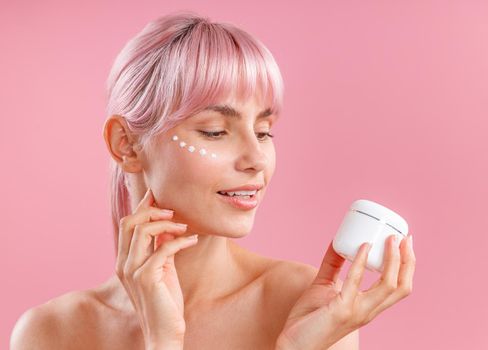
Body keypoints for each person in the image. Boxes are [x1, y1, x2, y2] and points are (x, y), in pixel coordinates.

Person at [10, 11, 416, 350]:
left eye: (264, 131)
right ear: (127, 146)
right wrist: (162, 341)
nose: (257, 159)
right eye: (215, 132)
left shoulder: (306, 305)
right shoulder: (51, 334)